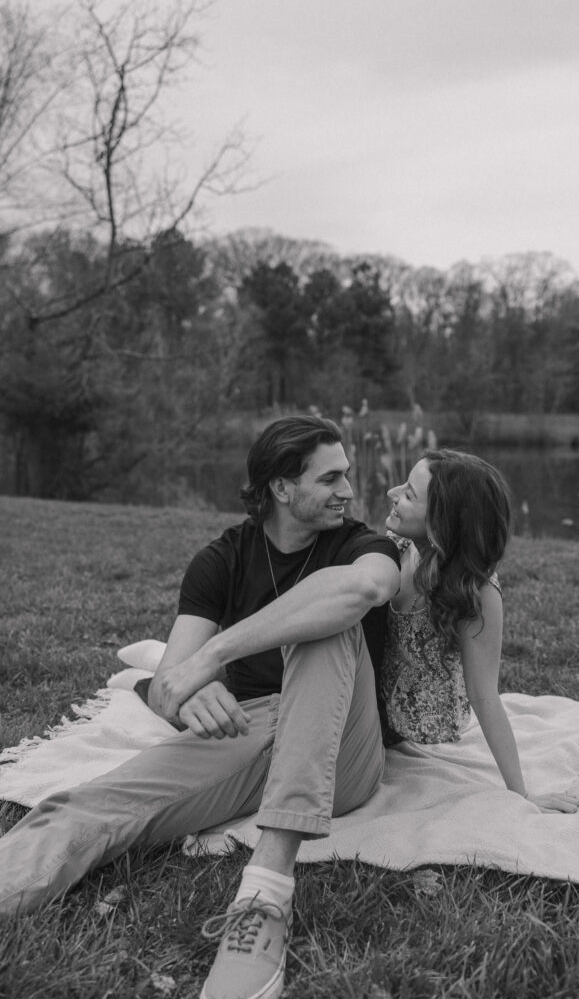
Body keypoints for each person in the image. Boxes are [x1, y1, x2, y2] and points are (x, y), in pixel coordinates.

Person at [0, 415, 401, 999]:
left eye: (347, 475)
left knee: (328, 618)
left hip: (346, 751)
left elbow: (363, 591)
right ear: (281, 488)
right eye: (331, 477)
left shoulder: (364, 545)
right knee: (94, 805)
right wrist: (187, 692)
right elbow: (169, 688)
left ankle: (263, 898)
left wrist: (215, 654)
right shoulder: (223, 558)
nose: (348, 490)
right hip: (252, 731)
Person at [381, 449, 579, 813]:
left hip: (430, 733)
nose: (392, 493)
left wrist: (521, 793)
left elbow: (484, 695)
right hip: (379, 716)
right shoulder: (396, 547)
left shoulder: (476, 591)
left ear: (443, 523)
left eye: (409, 494)